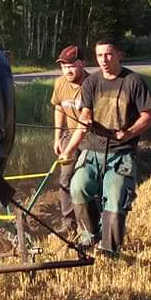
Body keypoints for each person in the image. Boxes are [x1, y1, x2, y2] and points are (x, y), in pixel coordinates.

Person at [59, 37, 151, 257]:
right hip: (92, 150)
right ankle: (89, 234)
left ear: (119, 54)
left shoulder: (133, 81)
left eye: (109, 54)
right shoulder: (91, 83)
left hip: (121, 153)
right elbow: (85, 115)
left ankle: (109, 248)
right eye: (100, 55)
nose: (104, 59)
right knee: (78, 187)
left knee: (114, 196)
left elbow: (148, 116)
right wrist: (70, 148)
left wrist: (129, 132)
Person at [50, 44, 88, 232]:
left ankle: (86, 224)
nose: (67, 70)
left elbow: (85, 125)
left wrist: (69, 150)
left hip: (91, 137)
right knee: (65, 179)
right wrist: (57, 138)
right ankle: (69, 223)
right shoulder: (60, 83)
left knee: (84, 180)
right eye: (64, 66)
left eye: (71, 65)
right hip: (70, 134)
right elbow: (58, 107)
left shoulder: (91, 84)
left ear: (82, 64)